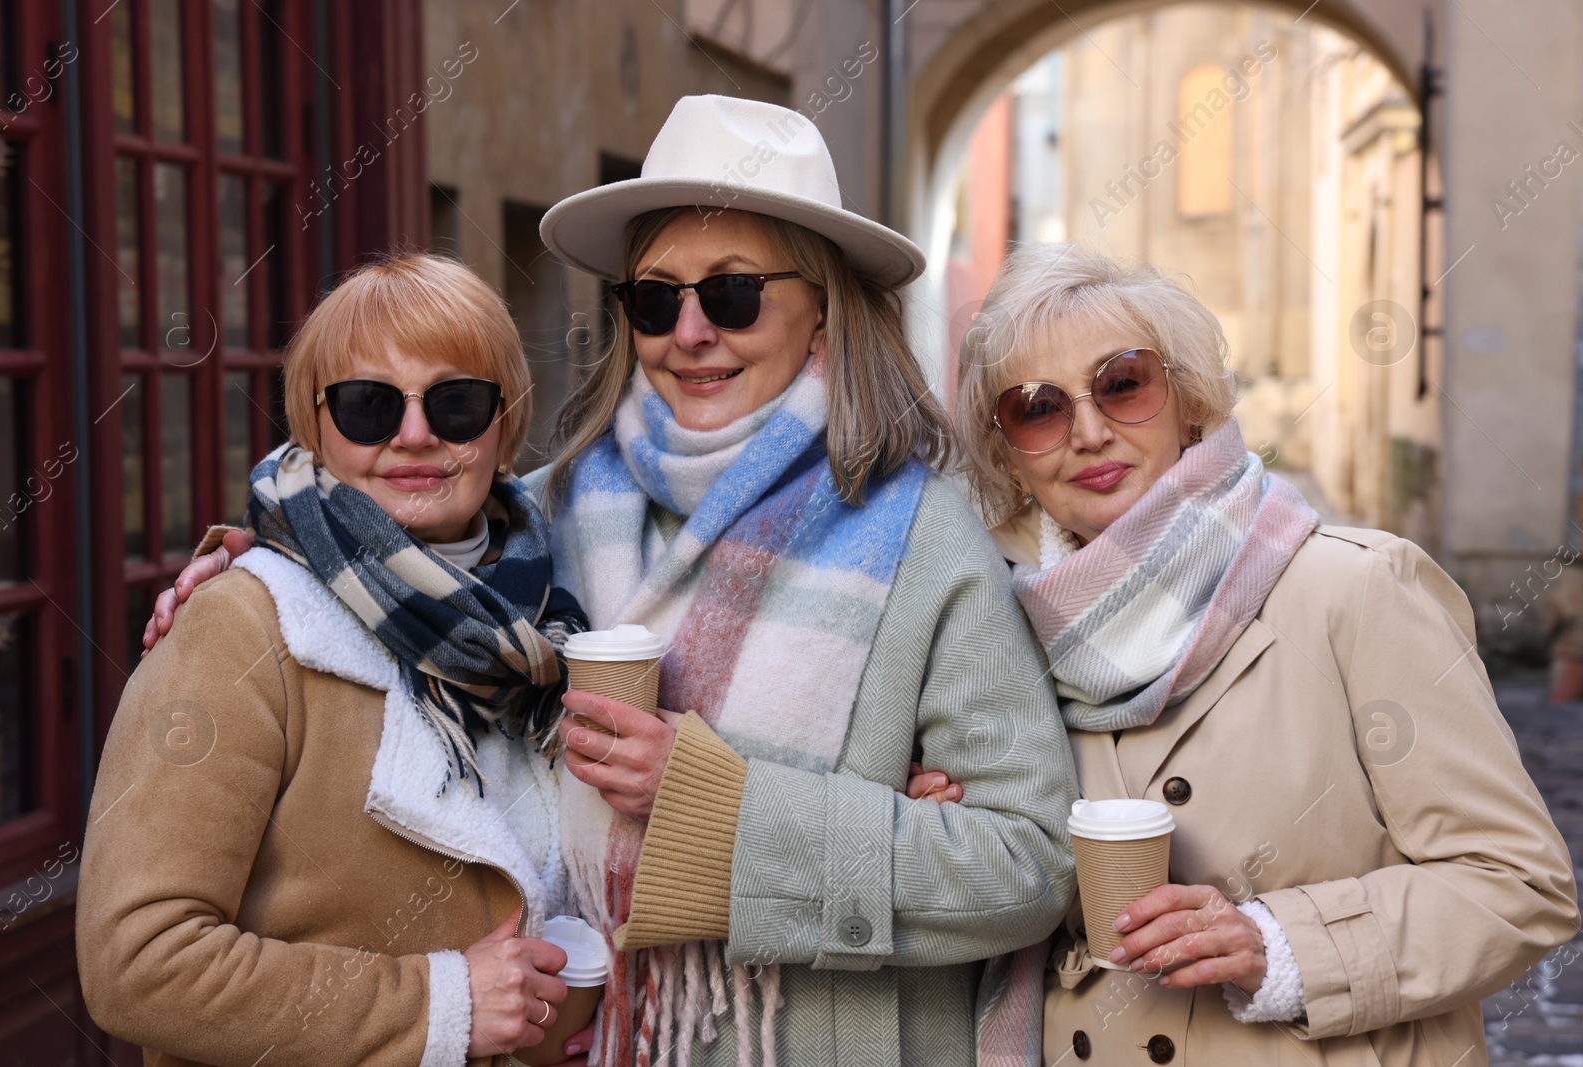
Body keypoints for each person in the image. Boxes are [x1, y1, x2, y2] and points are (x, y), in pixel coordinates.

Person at [142, 95, 1080, 1067]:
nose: (689, 330)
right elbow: (387, 550)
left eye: (731, 294)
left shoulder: (923, 534)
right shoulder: (541, 517)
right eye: (653, 298)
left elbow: (1032, 863)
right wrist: (260, 561)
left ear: (822, 307)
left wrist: (732, 808)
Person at [918, 241, 1579, 1065]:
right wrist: (961, 831)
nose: (1087, 431)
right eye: (1038, 406)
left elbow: (1519, 883)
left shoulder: (1355, 590)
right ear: (1009, 449)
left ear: (1187, 398)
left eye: (1123, 383)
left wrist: (1282, 945)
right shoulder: (997, 631)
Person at [80, 254, 599, 1067]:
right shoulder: (242, 622)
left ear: (505, 421)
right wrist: (437, 1004)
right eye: (368, 405)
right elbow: (138, 963)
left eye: (458, 402)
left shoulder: (553, 616)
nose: (416, 435)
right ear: (314, 424)